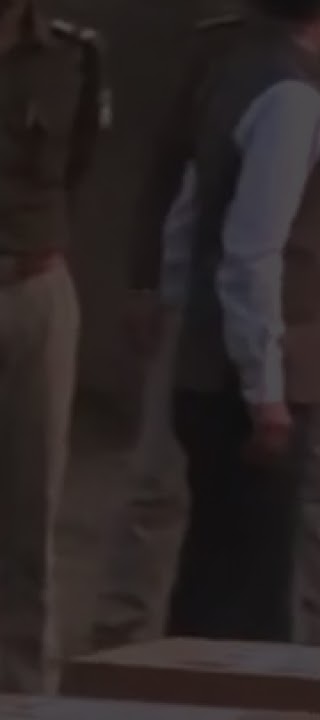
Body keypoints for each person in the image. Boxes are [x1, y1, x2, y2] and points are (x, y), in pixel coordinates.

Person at [98, 3, 320, 651]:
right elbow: (173, 173)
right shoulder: (224, 54)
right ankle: (122, 644)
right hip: (215, 292)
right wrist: (145, 280)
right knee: (161, 482)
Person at [157, 0, 320, 643]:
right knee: (249, 600)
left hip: (213, 364)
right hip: (255, 380)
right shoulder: (289, 95)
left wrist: (184, 329)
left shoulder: (234, 74)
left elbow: (185, 223)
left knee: (213, 578)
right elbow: (252, 252)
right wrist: (265, 393)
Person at [0, 0, 107, 692]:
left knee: (29, 503)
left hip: (34, 283)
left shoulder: (75, 55)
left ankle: (20, 684)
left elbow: (78, 168)